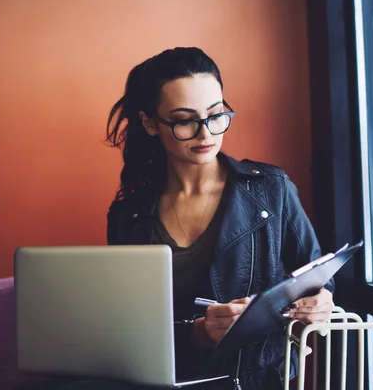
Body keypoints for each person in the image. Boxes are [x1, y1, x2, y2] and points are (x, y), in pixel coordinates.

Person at [106, 47, 334, 390]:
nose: (206, 133)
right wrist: (195, 332)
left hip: (257, 382)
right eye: (184, 120)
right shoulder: (129, 216)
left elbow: (320, 280)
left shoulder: (271, 190)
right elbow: (127, 328)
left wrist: (320, 303)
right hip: (165, 381)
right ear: (150, 123)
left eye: (216, 114)